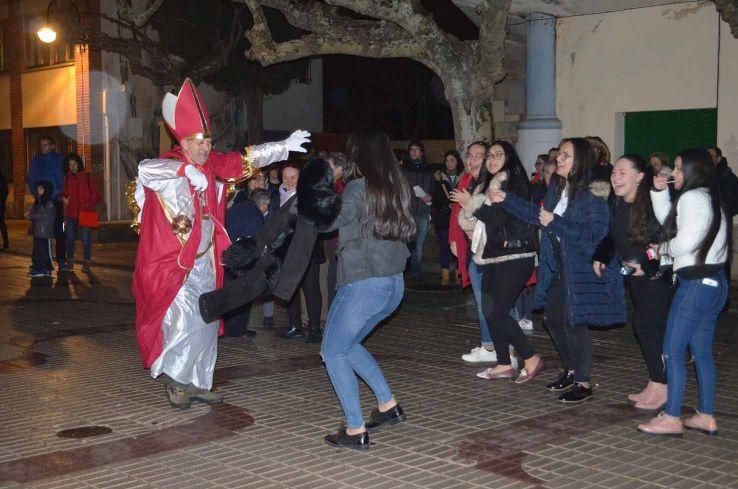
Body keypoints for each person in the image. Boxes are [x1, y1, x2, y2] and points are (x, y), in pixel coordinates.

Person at [132, 78, 310, 409]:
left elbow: (247, 159)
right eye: (197, 143)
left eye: (208, 142)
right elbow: (146, 170)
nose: (204, 149)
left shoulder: (213, 165)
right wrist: (186, 170)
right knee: (183, 322)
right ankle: (177, 383)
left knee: (208, 321)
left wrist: (284, 146)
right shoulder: (169, 164)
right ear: (182, 142)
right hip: (176, 264)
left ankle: (199, 382)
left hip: (207, 260)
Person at [492, 138, 626, 403]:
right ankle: (571, 369)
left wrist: (557, 223)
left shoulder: (592, 193)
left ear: (581, 160)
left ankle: (584, 382)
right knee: (553, 319)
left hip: (580, 269)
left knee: (574, 323)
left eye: (566, 155)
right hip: (556, 266)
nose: (559, 160)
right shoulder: (556, 187)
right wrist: (507, 199)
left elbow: (594, 234)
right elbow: (538, 216)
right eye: (560, 155)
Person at [320, 130, 415, 450]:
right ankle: (388, 406)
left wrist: (317, 188)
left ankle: (354, 428)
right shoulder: (396, 189)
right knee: (348, 345)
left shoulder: (358, 188)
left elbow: (330, 220)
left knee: (332, 351)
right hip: (393, 285)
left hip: (363, 284)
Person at [638, 148, 728, 436]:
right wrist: (659, 192)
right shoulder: (710, 198)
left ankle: (672, 416)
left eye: (677, 168)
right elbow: (674, 225)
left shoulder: (692, 198)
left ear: (693, 170)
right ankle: (706, 415)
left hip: (695, 286)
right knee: (701, 352)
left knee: (672, 351)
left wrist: (659, 249)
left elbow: (683, 240)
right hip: (714, 283)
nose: (672, 173)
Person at [594, 155, 671, 411]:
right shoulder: (619, 203)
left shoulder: (651, 203)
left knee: (649, 328)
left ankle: (663, 387)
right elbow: (614, 236)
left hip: (657, 278)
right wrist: (602, 256)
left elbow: (664, 240)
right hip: (635, 277)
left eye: (622, 172)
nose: (615, 177)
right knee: (643, 327)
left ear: (640, 176)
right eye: (614, 172)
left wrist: (646, 265)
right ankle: (655, 382)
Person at [471, 141, 544, 383]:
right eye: (489, 156)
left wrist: (470, 205)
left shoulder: (514, 182)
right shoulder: (491, 183)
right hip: (494, 255)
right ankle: (503, 363)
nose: (491, 160)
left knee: (500, 311)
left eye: (498, 155)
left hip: (515, 255)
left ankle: (531, 357)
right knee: (490, 311)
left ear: (509, 157)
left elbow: (500, 219)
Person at [277, 162, 325, 343]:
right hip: (287, 250)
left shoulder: (309, 196)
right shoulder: (279, 194)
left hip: (307, 249)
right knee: (290, 289)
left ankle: (314, 328)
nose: (288, 181)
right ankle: (294, 325)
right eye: (285, 177)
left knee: (311, 289)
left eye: (293, 177)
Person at [223, 184, 267, 338]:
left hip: (226, 256)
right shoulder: (255, 216)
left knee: (229, 294)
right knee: (242, 295)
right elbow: (254, 244)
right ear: (262, 204)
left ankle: (228, 327)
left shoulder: (238, 207)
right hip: (240, 261)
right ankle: (237, 330)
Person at [27, 136, 66, 270]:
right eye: (41, 145)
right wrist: (36, 193)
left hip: (56, 201)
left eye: (46, 144)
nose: (43, 147)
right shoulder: (36, 161)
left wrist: (59, 194)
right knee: (39, 232)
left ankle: (61, 259)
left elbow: (63, 179)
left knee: (59, 231)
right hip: (40, 201)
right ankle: (39, 260)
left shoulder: (59, 160)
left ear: (52, 146)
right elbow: (31, 178)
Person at [400, 140, 434, 279]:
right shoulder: (403, 169)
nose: (414, 152)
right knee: (405, 243)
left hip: (423, 211)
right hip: (406, 211)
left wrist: (429, 197)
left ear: (422, 152)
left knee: (418, 244)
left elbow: (433, 188)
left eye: (417, 149)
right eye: (411, 149)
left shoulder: (429, 169)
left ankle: (416, 271)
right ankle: (403, 270)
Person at [61, 153, 100, 272]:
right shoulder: (67, 178)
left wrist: (88, 203)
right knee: (69, 238)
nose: (72, 167)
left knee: (86, 240)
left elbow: (96, 196)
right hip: (71, 213)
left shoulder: (87, 176)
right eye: (70, 165)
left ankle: (87, 264)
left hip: (86, 213)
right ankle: (70, 263)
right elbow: (64, 193)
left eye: (74, 164)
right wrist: (64, 199)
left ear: (79, 164)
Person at [432, 149, 463, 285]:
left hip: (459, 217)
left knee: (459, 245)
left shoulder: (464, 177)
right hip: (444, 217)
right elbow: (435, 198)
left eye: (452, 160)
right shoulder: (439, 178)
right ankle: (444, 275)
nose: (449, 163)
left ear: (457, 161)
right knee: (445, 245)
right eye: (447, 161)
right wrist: (446, 205)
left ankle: (458, 274)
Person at [325, 151, 348, 305]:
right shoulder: (332, 184)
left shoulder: (343, 187)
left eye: (329, 166)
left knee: (336, 281)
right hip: (332, 238)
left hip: (339, 239)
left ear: (339, 168)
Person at [28, 181, 56, 277]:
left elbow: (45, 215)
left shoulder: (49, 203)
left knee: (45, 251)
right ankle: (39, 267)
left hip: (45, 232)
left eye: (41, 188)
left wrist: (32, 215)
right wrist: (30, 214)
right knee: (37, 250)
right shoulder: (38, 201)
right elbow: (32, 211)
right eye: (38, 188)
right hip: (37, 231)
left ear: (46, 190)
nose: (39, 190)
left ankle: (45, 268)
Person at [0, 169, 8, 250]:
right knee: (1, 223)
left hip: (0, 205)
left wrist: (2, 201)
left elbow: (5, 191)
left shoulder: (1, 178)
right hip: (1, 204)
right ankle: (6, 243)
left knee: (1, 223)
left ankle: (6, 243)